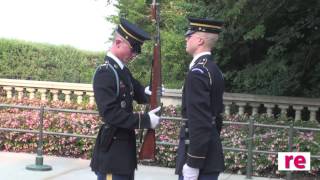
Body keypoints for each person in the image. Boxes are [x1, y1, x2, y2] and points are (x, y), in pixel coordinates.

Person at [90, 18, 161, 180]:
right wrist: (145, 120)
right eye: (133, 49)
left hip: (124, 153)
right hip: (112, 154)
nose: (135, 54)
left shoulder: (122, 71)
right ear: (118, 43)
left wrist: (154, 92)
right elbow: (110, 114)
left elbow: (139, 93)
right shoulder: (105, 73)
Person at [175, 17, 225, 180]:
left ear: (199, 40)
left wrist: (193, 163)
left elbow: (199, 121)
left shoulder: (198, 73)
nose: (186, 39)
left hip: (199, 159)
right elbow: (216, 118)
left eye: (189, 36)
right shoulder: (213, 69)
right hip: (209, 153)